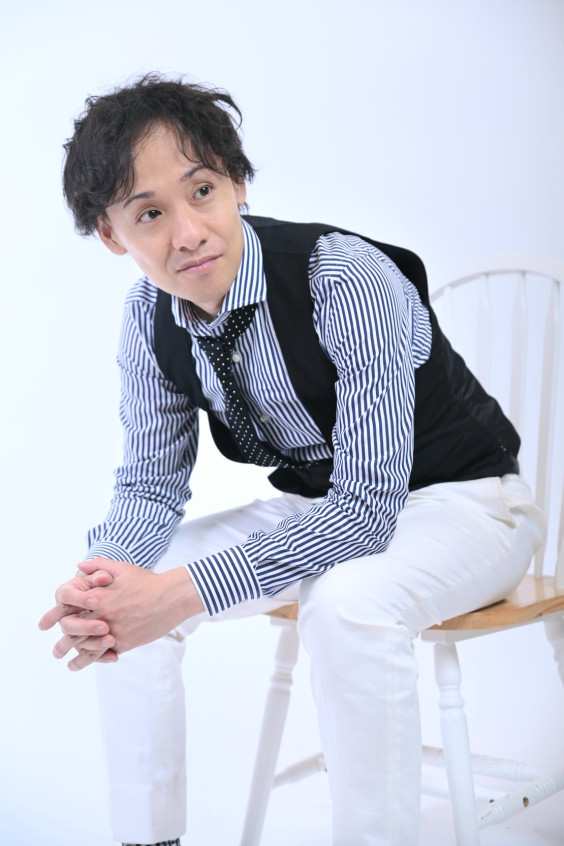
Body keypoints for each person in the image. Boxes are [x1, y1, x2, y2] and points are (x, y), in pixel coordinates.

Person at [39, 73, 544, 846]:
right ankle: (149, 839)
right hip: (325, 509)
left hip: (467, 505)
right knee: (125, 586)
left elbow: (367, 511)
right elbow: (148, 486)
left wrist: (178, 595)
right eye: (150, 213)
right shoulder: (148, 317)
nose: (188, 233)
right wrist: (102, 584)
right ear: (113, 235)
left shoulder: (340, 277)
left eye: (201, 191)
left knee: (344, 605)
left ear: (237, 183)